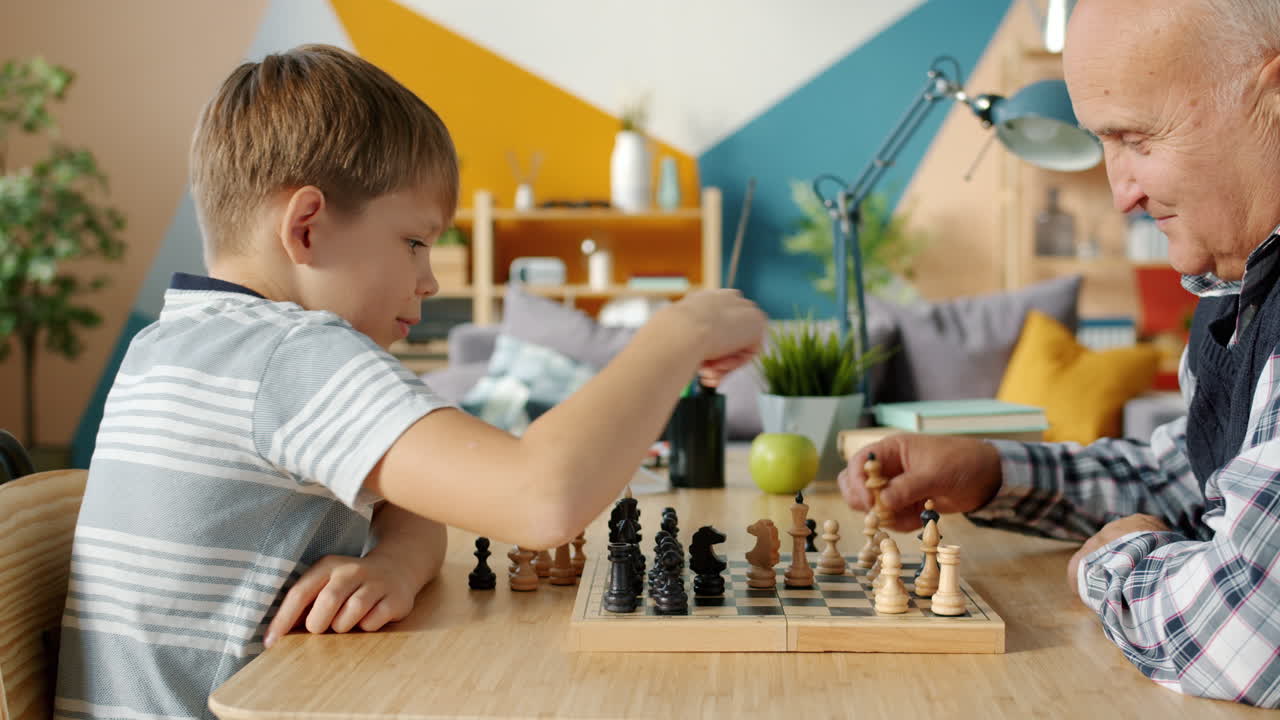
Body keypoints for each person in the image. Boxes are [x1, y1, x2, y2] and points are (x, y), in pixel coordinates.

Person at [53, 44, 766, 719]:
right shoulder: (289, 355)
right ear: (306, 228)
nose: (427, 279)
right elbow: (541, 499)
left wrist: (393, 562)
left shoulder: (176, 342)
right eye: (415, 241)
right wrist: (681, 332)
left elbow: (413, 503)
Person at [843, 0, 1280, 707]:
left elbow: (1242, 631)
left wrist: (1110, 563)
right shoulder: (1238, 283)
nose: (1120, 196)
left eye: (1137, 139)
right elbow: (1190, 479)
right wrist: (990, 472)